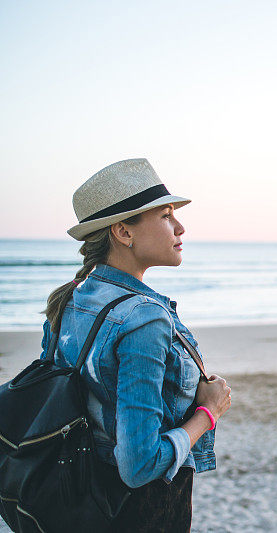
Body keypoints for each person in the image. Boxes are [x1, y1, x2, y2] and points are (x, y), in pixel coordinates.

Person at [39, 158, 232, 532]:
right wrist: (208, 414)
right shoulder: (143, 318)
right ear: (124, 233)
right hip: (136, 514)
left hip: (76, 498)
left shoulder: (70, 299)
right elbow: (138, 465)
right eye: (165, 216)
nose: (180, 227)